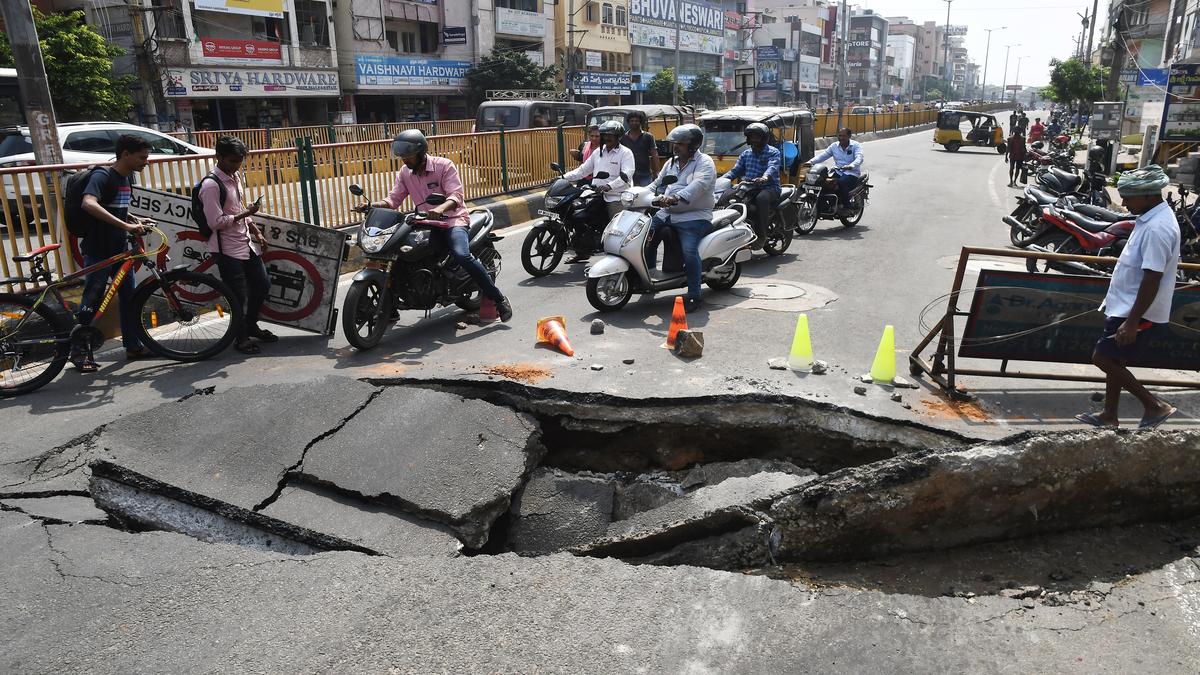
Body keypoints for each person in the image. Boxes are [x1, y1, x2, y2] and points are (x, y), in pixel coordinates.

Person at [358, 130, 512, 321]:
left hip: (452, 220)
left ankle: (499, 299)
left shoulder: (444, 166)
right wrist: (371, 205)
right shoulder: (406, 172)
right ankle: (390, 306)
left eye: (408, 156)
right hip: (424, 222)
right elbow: (393, 199)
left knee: (462, 255)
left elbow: (456, 196)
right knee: (397, 255)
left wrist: (440, 209)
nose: (405, 160)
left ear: (421, 152)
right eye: (402, 156)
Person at [1075, 165, 1180, 430]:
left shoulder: (1158, 228)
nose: (1123, 202)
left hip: (1136, 311)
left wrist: (1132, 321)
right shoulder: (1150, 219)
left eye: (1129, 197)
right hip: (1126, 305)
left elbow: (1152, 277)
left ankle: (1155, 405)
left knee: (1103, 358)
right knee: (1116, 360)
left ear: (1147, 196)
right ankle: (1109, 415)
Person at [71, 134, 154, 372]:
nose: (145, 162)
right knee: (91, 301)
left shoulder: (126, 179)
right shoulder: (103, 175)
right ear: (125, 154)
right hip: (99, 249)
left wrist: (135, 219)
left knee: (130, 298)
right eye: (142, 157)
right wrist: (127, 226)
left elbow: (116, 210)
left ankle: (133, 345)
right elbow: (89, 203)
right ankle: (78, 352)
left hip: (120, 250)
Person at [200, 136, 274, 355]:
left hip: (245, 243)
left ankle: (251, 325)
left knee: (262, 285)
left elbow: (237, 208)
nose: (236, 165)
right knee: (238, 296)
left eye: (240, 161)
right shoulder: (211, 185)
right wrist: (247, 213)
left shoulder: (235, 177)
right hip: (225, 250)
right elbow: (216, 222)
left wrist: (256, 230)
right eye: (232, 161)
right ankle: (240, 339)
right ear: (219, 157)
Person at [647, 124, 716, 312]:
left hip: (694, 216)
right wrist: (637, 193)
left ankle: (695, 295)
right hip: (667, 213)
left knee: (689, 251)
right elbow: (657, 183)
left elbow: (699, 185)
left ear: (692, 146)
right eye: (675, 143)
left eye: (680, 144)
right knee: (645, 237)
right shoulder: (671, 163)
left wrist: (677, 197)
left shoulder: (705, 162)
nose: (675, 147)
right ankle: (648, 278)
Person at [722, 122, 781, 249]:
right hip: (749, 187)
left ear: (764, 138)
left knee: (761, 199)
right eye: (751, 137)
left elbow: (773, 166)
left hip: (769, 187)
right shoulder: (746, 154)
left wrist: (765, 177)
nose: (754, 140)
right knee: (728, 197)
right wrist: (721, 179)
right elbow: (735, 170)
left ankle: (762, 234)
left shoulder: (773, 152)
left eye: (757, 137)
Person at [561, 120, 634, 220]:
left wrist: (609, 186)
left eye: (610, 135)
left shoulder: (626, 153)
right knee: (574, 212)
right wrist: (563, 177)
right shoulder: (597, 152)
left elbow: (626, 175)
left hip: (615, 196)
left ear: (619, 137)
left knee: (616, 227)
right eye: (605, 135)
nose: (607, 138)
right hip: (595, 194)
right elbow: (582, 171)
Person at [809, 127, 864, 215]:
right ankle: (825, 207)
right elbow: (823, 155)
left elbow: (859, 157)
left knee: (842, 182)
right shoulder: (834, 146)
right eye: (840, 136)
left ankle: (847, 207)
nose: (841, 138)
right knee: (820, 182)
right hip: (838, 171)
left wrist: (851, 165)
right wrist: (809, 162)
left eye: (844, 136)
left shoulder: (855, 145)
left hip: (852, 173)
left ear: (849, 136)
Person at [621, 111, 661, 187]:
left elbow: (654, 155)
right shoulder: (623, 138)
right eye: (632, 121)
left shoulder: (648, 137)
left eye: (636, 121)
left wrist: (657, 172)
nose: (634, 123)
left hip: (644, 174)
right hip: (628, 175)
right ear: (628, 122)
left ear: (641, 122)